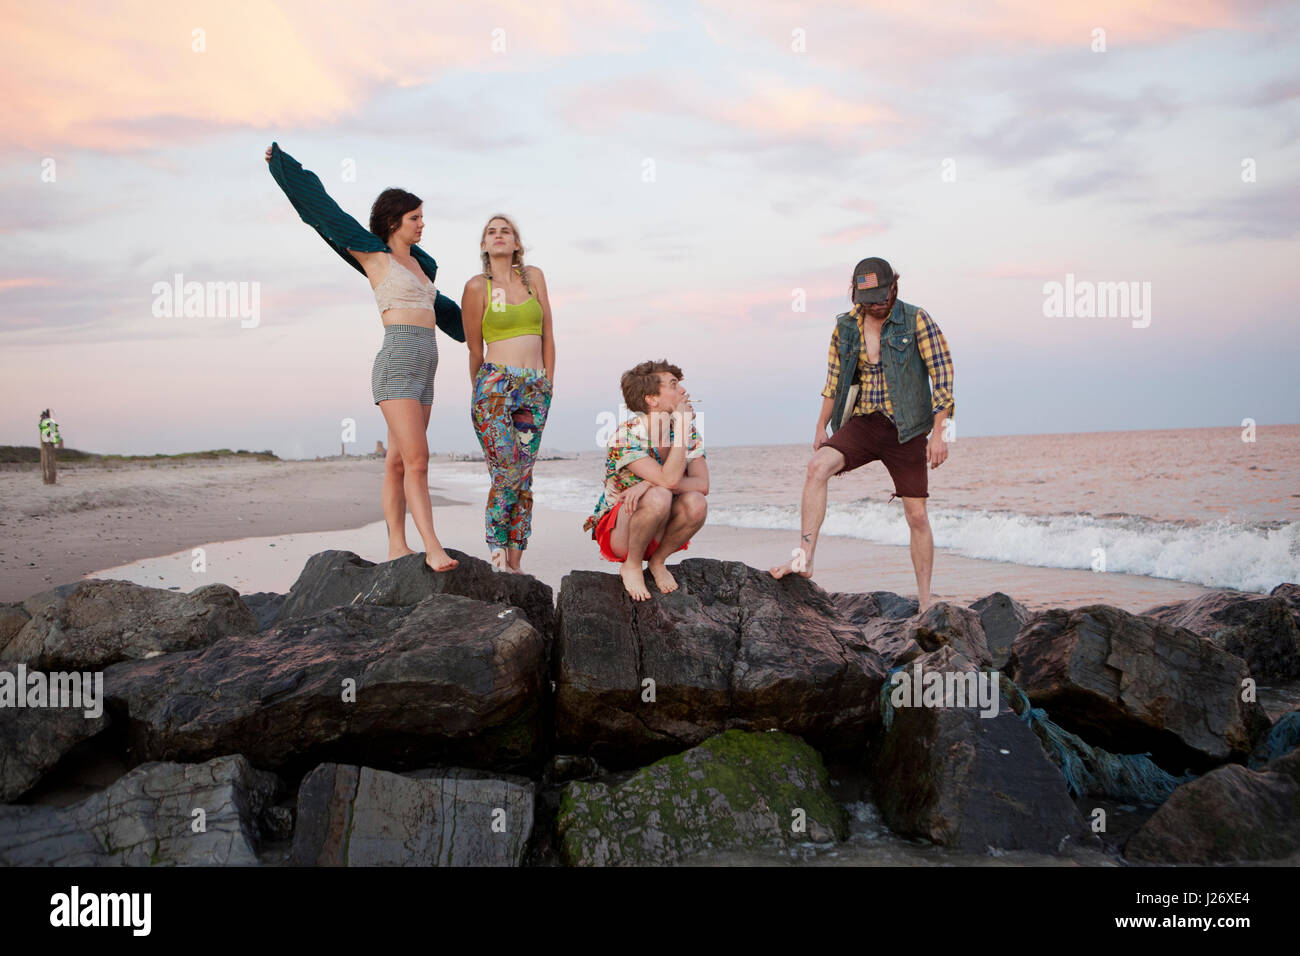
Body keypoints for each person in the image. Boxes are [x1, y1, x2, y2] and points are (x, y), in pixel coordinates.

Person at [265, 142, 463, 572]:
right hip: (395, 366)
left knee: (397, 461)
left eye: (422, 217)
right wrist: (284, 168)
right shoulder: (376, 256)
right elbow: (327, 214)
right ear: (394, 221)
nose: (422, 224)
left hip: (425, 368)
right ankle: (431, 545)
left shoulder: (420, 267)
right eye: (415, 218)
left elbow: (451, 316)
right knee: (418, 460)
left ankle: (396, 545)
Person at [770, 257, 954, 612]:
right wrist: (821, 426)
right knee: (816, 467)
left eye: (884, 296)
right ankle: (804, 558)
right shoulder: (845, 328)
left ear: (894, 288)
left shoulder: (916, 319)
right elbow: (834, 382)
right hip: (863, 422)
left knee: (916, 516)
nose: (878, 304)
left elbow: (942, 376)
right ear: (855, 294)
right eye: (870, 299)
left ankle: (926, 602)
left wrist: (939, 434)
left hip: (908, 428)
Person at [459, 215, 556, 574]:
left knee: (525, 477)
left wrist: (547, 384)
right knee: (507, 473)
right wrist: (483, 396)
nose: (498, 236)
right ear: (484, 245)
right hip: (495, 387)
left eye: (506, 231)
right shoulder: (476, 287)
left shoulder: (535, 279)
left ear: (517, 243)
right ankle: (497, 555)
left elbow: (548, 334)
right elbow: (474, 350)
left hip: (535, 387)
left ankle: (516, 563)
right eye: (491, 232)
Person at [584, 361, 709, 601]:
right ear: (651, 399)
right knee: (660, 495)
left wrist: (649, 482)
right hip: (622, 533)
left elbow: (702, 485)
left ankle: (657, 562)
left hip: (661, 531)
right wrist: (661, 482)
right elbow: (670, 480)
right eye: (674, 385)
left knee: (696, 503)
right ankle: (631, 566)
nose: (683, 391)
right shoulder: (625, 437)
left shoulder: (687, 432)